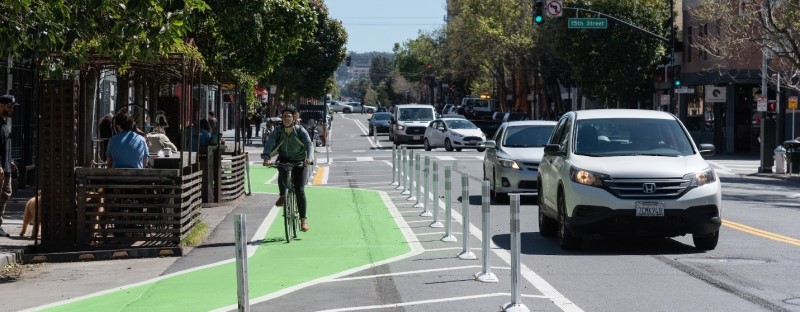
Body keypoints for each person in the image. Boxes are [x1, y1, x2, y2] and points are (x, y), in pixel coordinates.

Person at [261, 107, 313, 232]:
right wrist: (267, 157)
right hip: (284, 158)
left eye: (289, 116)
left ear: (294, 117)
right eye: (284, 116)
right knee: (281, 170)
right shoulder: (278, 131)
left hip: (300, 161)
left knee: (300, 190)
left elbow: (309, 144)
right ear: (282, 118)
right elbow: (269, 143)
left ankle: (303, 220)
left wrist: (309, 158)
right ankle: (282, 195)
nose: (286, 119)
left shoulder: (300, 130)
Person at [0, 95, 18, 237]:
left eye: (12, 107)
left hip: (5, 167)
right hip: (0, 168)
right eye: (9, 106)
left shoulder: (5, 123)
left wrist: (10, 161)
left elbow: (5, 146)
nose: (11, 109)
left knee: (6, 194)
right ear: (1, 105)